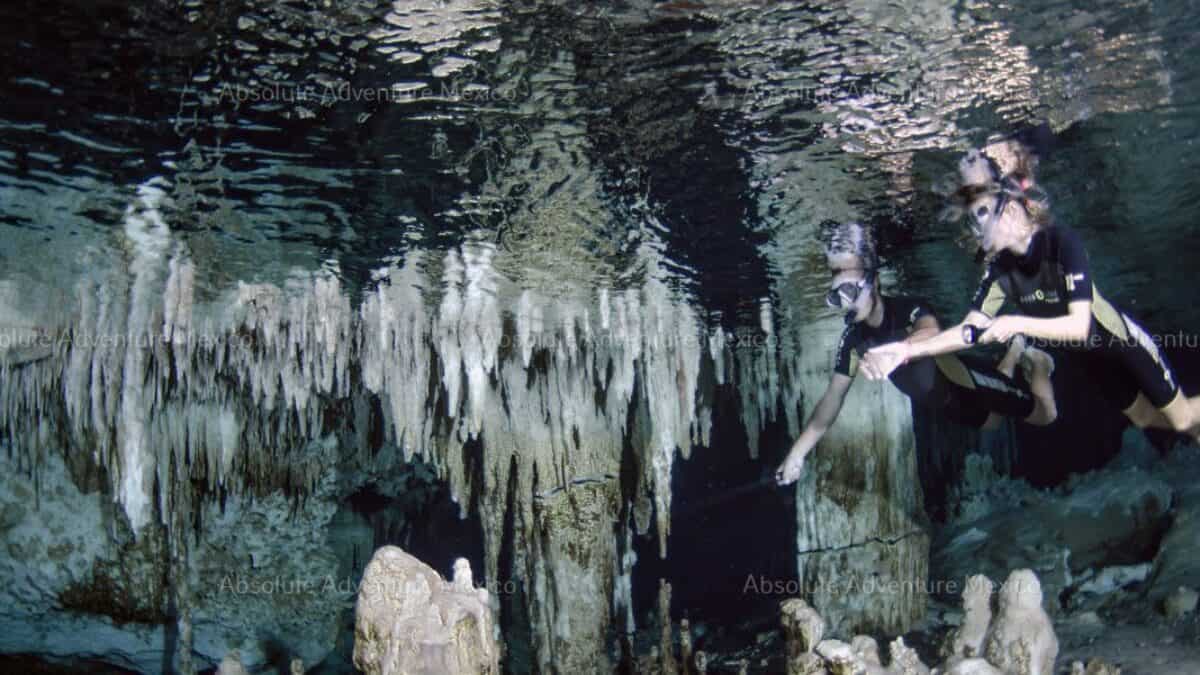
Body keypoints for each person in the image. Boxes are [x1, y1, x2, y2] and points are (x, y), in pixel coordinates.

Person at [861, 152, 1200, 442]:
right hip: (1089, 360)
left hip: (1120, 342)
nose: (973, 231)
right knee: (1143, 419)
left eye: (979, 215)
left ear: (1007, 212)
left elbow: (1080, 327)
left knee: (1182, 420)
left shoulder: (1060, 242)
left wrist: (1013, 322)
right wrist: (906, 350)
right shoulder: (999, 272)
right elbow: (968, 331)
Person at [774, 223, 1057, 486]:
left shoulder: (906, 309)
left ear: (874, 282)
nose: (844, 303)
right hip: (947, 403)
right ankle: (1015, 349)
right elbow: (831, 400)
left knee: (1045, 415)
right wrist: (797, 453)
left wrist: (903, 351)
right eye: (836, 296)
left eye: (849, 290)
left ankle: (1040, 361)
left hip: (970, 385)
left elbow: (930, 332)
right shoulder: (853, 339)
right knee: (993, 422)